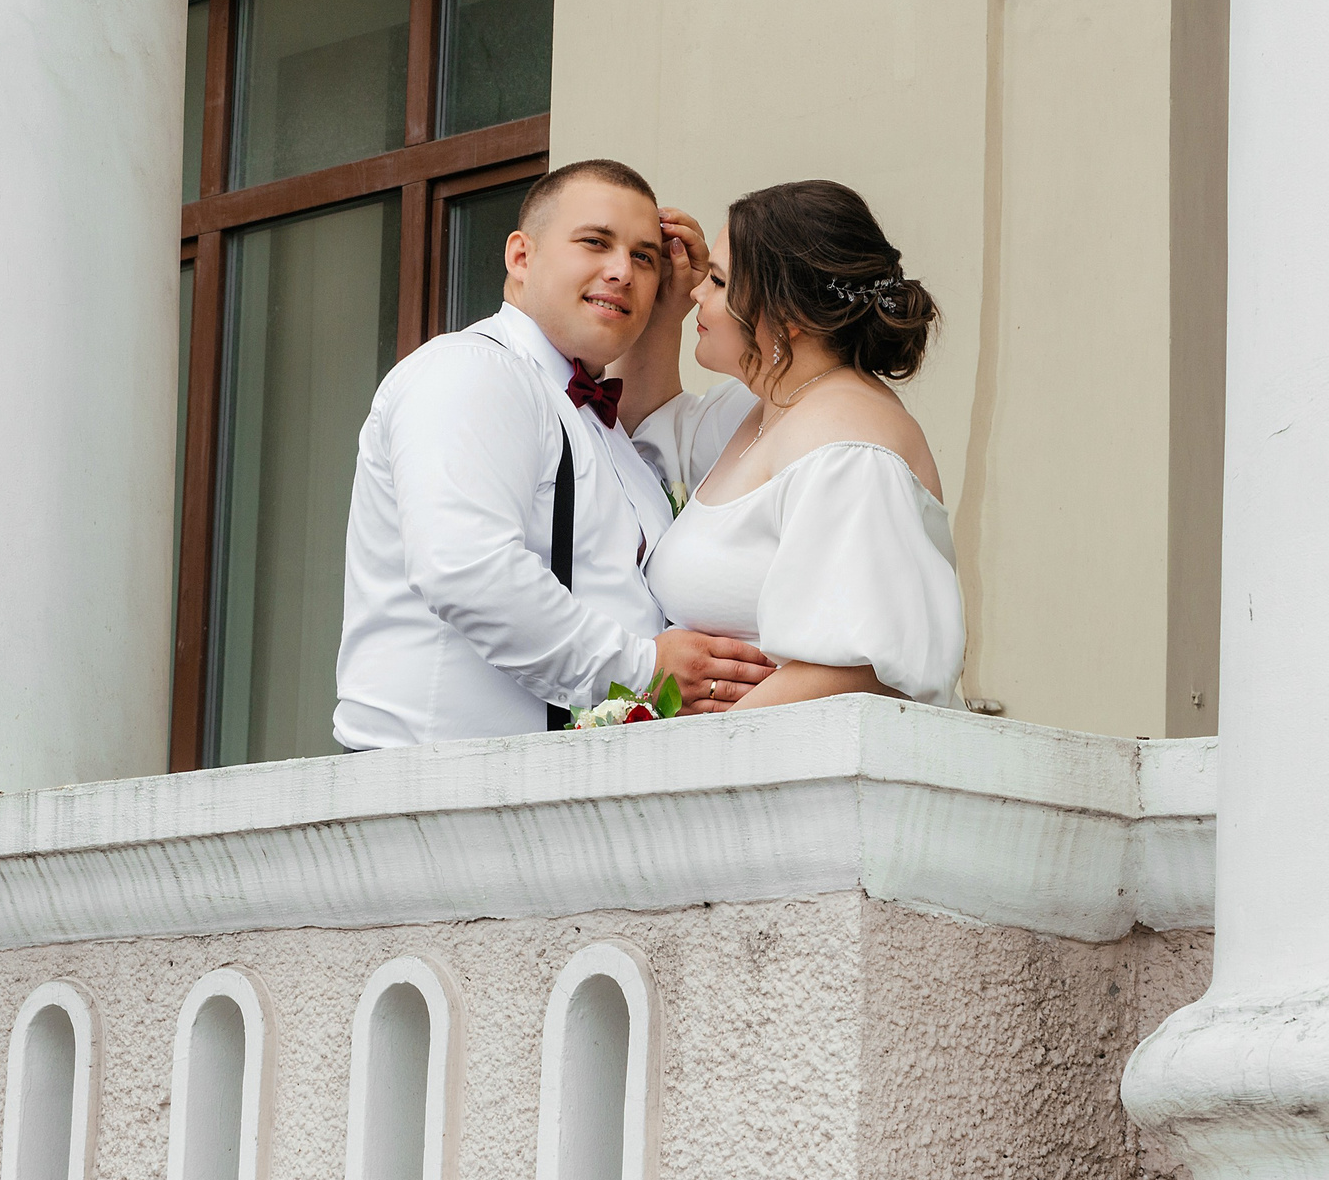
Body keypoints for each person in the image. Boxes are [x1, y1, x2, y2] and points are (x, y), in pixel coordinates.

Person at [334, 159, 775, 750]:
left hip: (540, 802)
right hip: (435, 796)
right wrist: (645, 668)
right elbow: (469, 571)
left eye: (644, 257)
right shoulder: (471, 371)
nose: (621, 271)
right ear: (521, 257)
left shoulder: (599, 423)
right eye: (595, 242)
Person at [617, 180, 964, 711]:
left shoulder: (848, 446)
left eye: (717, 281)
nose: (696, 295)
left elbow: (857, 668)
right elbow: (645, 429)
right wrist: (663, 311)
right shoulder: (767, 408)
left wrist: (680, 759)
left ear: (789, 315)